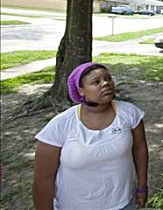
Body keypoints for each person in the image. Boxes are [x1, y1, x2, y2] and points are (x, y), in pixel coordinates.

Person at [32, 62, 149, 210]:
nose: (106, 83)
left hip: (123, 203)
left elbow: (140, 148)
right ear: (81, 91)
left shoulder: (130, 113)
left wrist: (142, 187)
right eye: (96, 82)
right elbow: (43, 180)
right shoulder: (60, 126)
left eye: (108, 78)